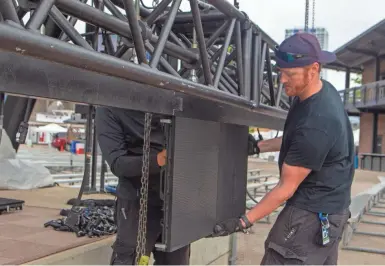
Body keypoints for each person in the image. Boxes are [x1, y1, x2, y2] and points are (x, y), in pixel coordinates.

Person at [211, 32, 354, 265]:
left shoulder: (318, 121)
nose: (282, 80)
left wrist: (243, 221)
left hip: (310, 214)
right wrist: (258, 146)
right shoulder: (316, 92)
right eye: (280, 72)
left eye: (290, 74)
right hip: (330, 210)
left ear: (313, 69)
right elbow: (296, 141)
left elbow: (285, 188)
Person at [95, 107, 190, 265]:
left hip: (174, 202)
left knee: (176, 260)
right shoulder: (109, 108)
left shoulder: (173, 104)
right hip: (136, 202)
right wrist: (159, 160)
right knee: (131, 258)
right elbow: (118, 163)